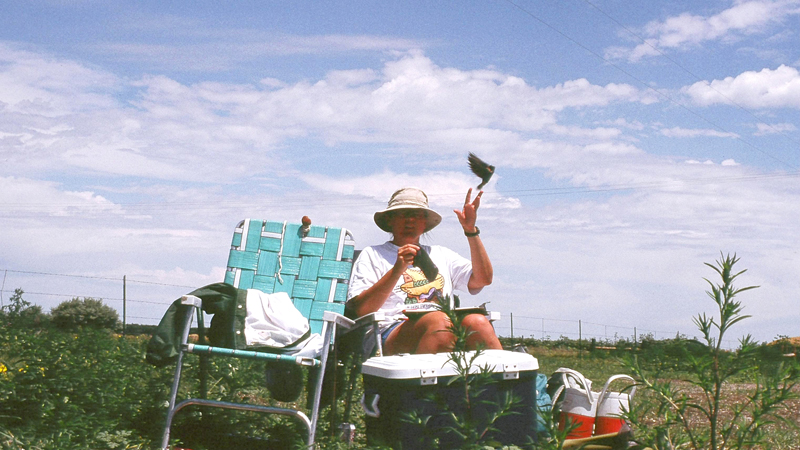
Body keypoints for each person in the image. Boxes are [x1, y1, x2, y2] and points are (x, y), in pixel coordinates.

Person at [347, 187, 502, 355]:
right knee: (439, 321)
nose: (410, 220)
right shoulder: (373, 254)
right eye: (403, 214)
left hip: (444, 325)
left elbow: (483, 279)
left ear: (425, 223)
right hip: (390, 331)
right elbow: (361, 310)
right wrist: (397, 270)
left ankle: (503, 373)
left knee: (478, 322)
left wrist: (471, 231)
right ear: (390, 220)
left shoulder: (442, 254)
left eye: (417, 215)